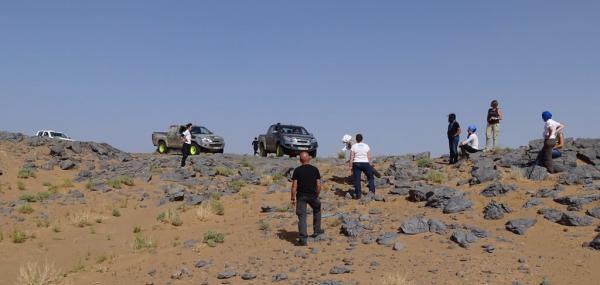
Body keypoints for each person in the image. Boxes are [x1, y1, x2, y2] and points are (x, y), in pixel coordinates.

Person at [291, 151, 323, 246]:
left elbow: (294, 186)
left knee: (302, 217)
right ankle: (317, 231)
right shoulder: (315, 169)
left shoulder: (297, 170)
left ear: (300, 160)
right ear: (309, 158)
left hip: (301, 196)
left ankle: (303, 239)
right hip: (313, 195)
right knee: (317, 209)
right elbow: (318, 185)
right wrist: (316, 194)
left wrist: (293, 198)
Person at [348, 134, 375, 199]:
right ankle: (372, 192)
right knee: (370, 177)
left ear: (356, 140)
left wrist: (350, 166)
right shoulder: (366, 146)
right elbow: (369, 156)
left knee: (357, 180)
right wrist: (368, 164)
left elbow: (351, 156)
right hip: (365, 163)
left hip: (356, 163)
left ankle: (358, 195)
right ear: (362, 139)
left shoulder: (353, 146)